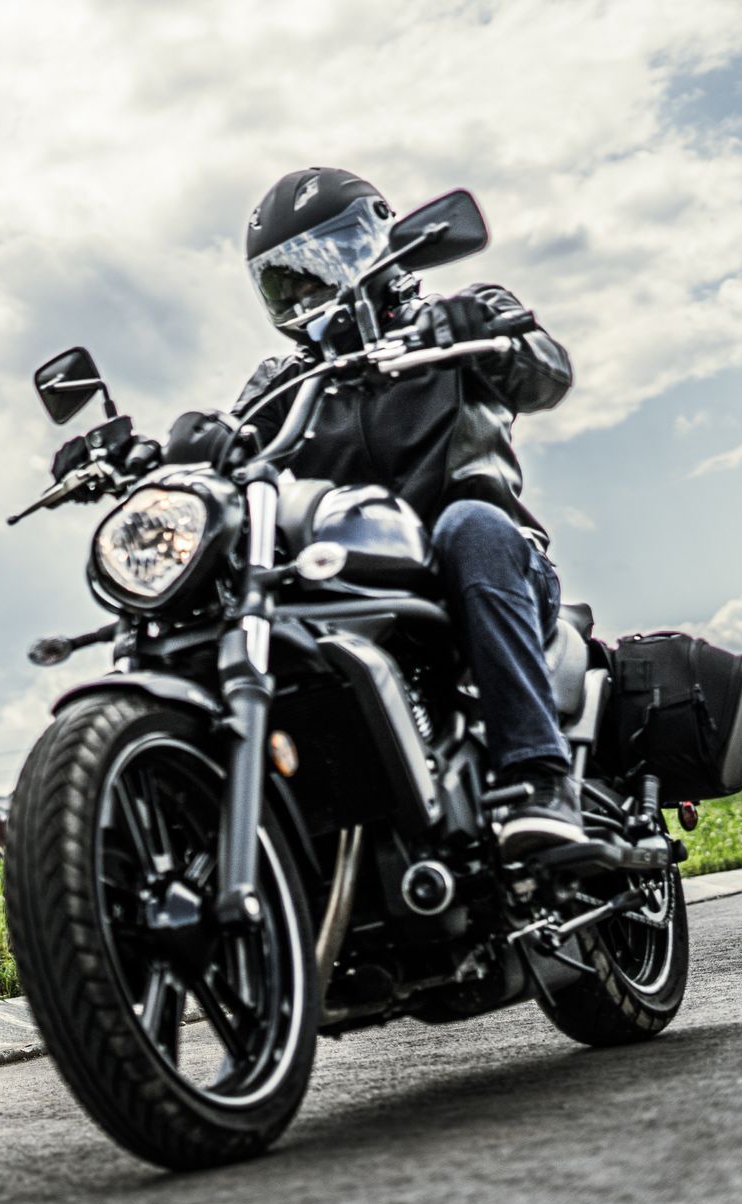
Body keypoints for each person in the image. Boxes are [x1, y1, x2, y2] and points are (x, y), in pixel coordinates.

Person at [167, 167, 582, 855]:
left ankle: (541, 778)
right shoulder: (283, 382)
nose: (305, 291)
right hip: (355, 579)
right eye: (284, 281)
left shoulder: (450, 319)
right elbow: (231, 446)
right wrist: (173, 451)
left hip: (487, 564)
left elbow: (546, 372)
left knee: (468, 523)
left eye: (321, 264)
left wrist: (491, 332)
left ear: (376, 247)